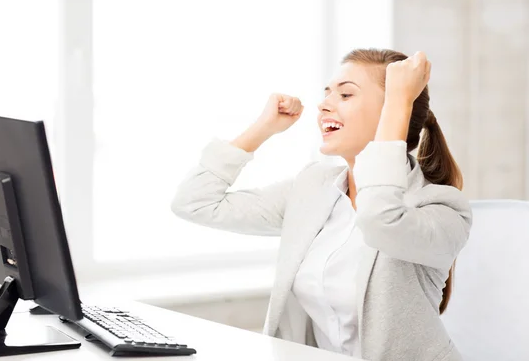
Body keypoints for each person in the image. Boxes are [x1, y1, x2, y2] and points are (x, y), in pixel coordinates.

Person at [171, 49, 472, 361]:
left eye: (345, 94)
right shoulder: (313, 189)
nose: (324, 104)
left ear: (393, 112)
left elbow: (380, 219)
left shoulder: (443, 209)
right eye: (327, 92)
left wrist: (399, 103)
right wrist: (263, 128)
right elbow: (194, 202)